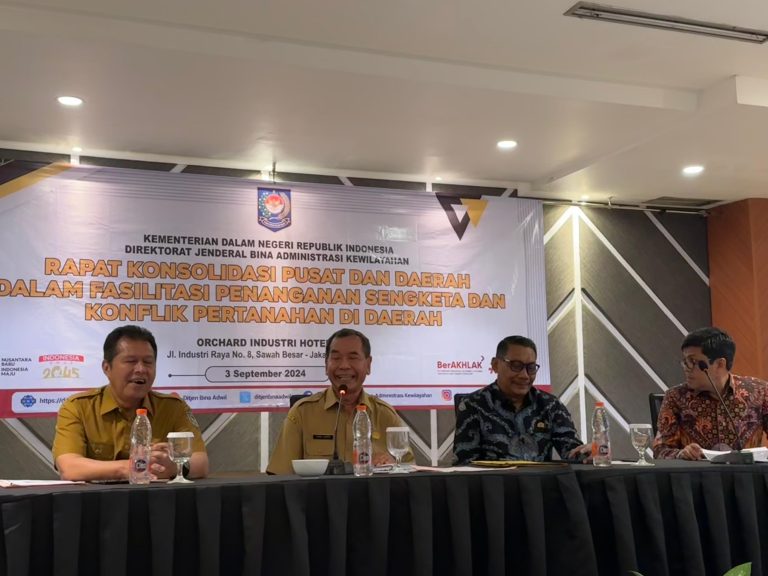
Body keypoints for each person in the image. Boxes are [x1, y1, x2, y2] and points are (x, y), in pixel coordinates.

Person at [52, 325, 208, 481]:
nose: (141, 369)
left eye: (148, 362)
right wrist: (132, 467)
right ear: (107, 368)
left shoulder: (173, 408)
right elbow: (69, 468)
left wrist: (175, 466)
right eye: (131, 361)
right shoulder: (78, 407)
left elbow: (201, 463)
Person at [267, 328, 411, 474]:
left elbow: (411, 473)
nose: (344, 366)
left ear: (368, 365)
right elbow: (280, 476)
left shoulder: (386, 415)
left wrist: (393, 464)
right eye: (336, 358)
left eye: (353, 358)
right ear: (326, 364)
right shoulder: (302, 413)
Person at [453, 335, 587, 464]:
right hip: (493, 480)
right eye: (516, 366)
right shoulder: (473, 405)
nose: (524, 375)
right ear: (495, 365)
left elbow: (572, 451)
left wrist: (589, 453)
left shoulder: (550, 405)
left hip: (541, 480)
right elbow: (465, 464)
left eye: (531, 368)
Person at [652, 326, 768, 460]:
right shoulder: (675, 397)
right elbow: (660, 450)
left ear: (720, 364)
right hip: (697, 472)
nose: (686, 368)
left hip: (747, 472)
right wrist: (680, 454)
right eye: (685, 362)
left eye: (692, 361)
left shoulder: (760, 391)